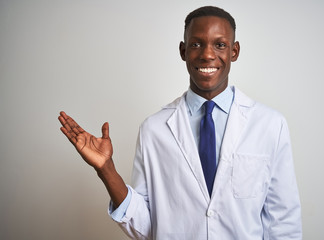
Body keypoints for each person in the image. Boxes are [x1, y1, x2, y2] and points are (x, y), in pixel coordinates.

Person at [58, 6, 302, 240]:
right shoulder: (153, 130)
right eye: (196, 44)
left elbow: (283, 222)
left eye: (220, 45)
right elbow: (146, 227)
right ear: (183, 51)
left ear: (234, 51)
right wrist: (106, 170)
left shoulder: (270, 125)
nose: (207, 54)